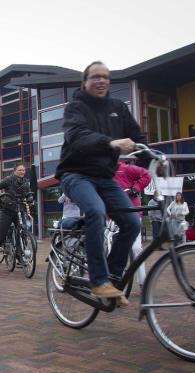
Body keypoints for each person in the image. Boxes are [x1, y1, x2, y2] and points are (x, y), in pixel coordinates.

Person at [54, 61, 145, 305]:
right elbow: (77, 136)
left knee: (131, 222)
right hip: (75, 173)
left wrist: (155, 157)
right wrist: (111, 143)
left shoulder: (118, 108)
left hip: (105, 177)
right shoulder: (76, 107)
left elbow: (138, 139)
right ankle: (98, 280)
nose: (101, 80)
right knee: (96, 211)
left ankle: (112, 279)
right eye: (95, 77)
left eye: (105, 77)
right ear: (85, 82)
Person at [114, 160, 151, 288]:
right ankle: (115, 282)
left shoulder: (126, 168)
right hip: (112, 217)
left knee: (136, 248)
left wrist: (135, 188)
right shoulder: (104, 172)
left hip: (132, 214)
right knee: (113, 249)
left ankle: (143, 281)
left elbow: (147, 175)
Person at [0, 162, 31, 269]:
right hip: (7, 210)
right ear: (14, 170)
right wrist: (0, 198)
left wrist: (30, 198)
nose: (22, 172)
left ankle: (20, 256)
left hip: (19, 210)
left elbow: (28, 193)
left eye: (23, 170)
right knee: (1, 236)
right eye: (20, 170)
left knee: (23, 233)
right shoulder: (8, 179)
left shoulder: (26, 182)